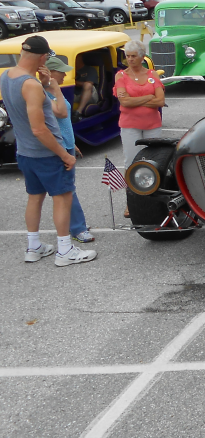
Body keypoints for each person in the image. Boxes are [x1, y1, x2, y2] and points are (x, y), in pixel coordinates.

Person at [0, 36, 95, 266]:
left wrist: (45, 84)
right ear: (43, 57)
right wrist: (64, 154)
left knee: (35, 197)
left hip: (25, 152)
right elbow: (39, 129)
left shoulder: (6, 76)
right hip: (47, 153)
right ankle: (65, 251)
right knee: (63, 197)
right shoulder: (30, 85)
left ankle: (33, 247)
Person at [42, 55, 93, 243]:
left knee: (69, 188)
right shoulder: (43, 93)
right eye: (61, 71)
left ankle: (75, 224)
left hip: (68, 143)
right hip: (59, 147)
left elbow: (63, 121)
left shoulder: (55, 91)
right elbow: (59, 114)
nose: (65, 74)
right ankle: (78, 228)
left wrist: (73, 142)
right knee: (66, 189)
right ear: (50, 72)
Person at [116, 40, 164, 217]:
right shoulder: (121, 76)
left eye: (133, 56)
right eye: (127, 56)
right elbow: (124, 101)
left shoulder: (152, 75)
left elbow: (160, 101)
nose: (130, 59)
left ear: (142, 57)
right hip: (130, 125)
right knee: (131, 162)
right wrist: (148, 96)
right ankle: (131, 202)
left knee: (155, 162)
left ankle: (155, 199)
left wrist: (135, 100)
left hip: (152, 124)